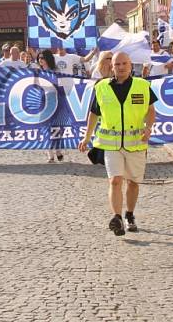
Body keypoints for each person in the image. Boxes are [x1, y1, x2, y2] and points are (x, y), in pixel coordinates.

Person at [78, 51, 157, 236]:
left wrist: (148, 127)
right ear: (111, 67)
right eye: (117, 64)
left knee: (133, 183)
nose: (120, 67)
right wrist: (87, 137)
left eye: (124, 64)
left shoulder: (143, 85)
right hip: (111, 145)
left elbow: (151, 110)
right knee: (115, 181)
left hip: (136, 143)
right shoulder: (102, 87)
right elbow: (94, 114)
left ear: (130, 65)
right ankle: (117, 218)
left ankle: (129, 214)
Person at [37, 50, 64, 162]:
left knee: (56, 127)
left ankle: (58, 150)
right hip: (42, 101)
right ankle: (50, 154)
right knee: (44, 128)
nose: (40, 60)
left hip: (54, 100)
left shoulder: (55, 71)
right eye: (39, 58)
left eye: (42, 57)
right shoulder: (37, 72)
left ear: (48, 58)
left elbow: (60, 86)